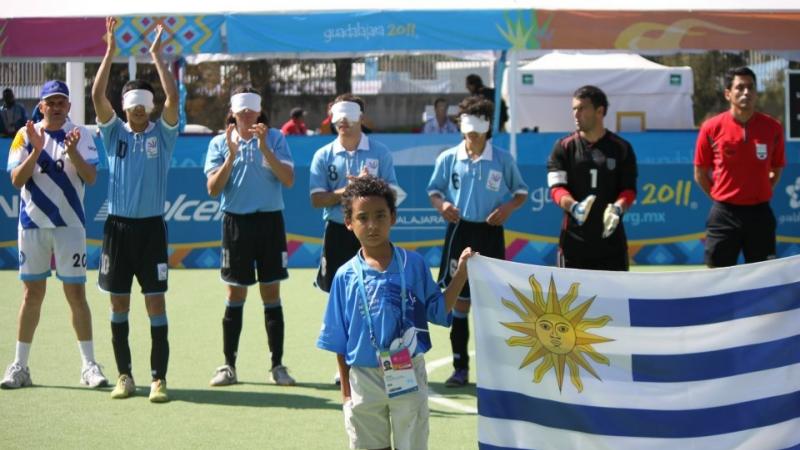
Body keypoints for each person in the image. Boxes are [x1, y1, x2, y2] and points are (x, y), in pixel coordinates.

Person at [317, 175, 475, 450]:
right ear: (348, 223)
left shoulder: (414, 264)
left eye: (380, 216)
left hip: (408, 370)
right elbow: (338, 342)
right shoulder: (344, 276)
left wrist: (460, 274)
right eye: (362, 217)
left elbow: (438, 310)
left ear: (393, 217)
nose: (372, 225)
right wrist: (346, 396)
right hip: (363, 378)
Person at [92, 17, 179, 403]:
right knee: (118, 303)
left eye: (145, 104)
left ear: (150, 108)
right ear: (126, 109)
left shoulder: (163, 133)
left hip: (151, 230)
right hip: (118, 230)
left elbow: (174, 100)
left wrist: (158, 57)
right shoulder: (114, 135)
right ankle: (125, 376)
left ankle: (158, 378)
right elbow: (97, 98)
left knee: (155, 302)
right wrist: (110, 51)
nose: (139, 110)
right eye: (133, 105)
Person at [1, 81, 107, 390]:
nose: (57, 106)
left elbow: (91, 177)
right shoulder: (25, 133)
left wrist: (73, 152)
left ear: (69, 106)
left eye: (62, 101)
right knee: (31, 295)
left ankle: (89, 367)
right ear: (42, 105)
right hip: (32, 225)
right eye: (51, 101)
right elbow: (16, 180)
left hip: (70, 226)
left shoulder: (81, 134)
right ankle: (20, 366)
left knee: (76, 296)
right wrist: (35, 149)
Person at [427, 96, 528, 387]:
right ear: (461, 127)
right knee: (459, 303)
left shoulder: (502, 159)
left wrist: (508, 207)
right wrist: (442, 205)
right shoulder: (449, 158)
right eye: (467, 127)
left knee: (491, 303)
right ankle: (460, 368)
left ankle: (495, 372)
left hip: (490, 233)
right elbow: (434, 191)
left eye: (477, 127)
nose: (471, 133)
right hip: (459, 232)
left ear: (487, 128)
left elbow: (520, 192)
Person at [204, 87, 297, 387]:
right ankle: (228, 366)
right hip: (236, 224)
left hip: (270, 222)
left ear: (259, 112)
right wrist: (231, 156)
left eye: (251, 110)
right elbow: (213, 189)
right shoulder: (219, 143)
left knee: (271, 294)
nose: (246, 115)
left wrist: (264, 147)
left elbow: (289, 180)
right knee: (235, 295)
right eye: (241, 110)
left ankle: (277, 366)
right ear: (232, 112)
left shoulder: (276, 139)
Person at [694, 66, 785, 267]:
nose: (746, 92)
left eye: (751, 88)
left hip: (760, 214)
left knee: (763, 280)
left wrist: (762, 190)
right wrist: (720, 197)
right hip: (724, 215)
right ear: (728, 93)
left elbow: (777, 168)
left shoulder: (773, 128)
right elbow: (700, 173)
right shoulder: (711, 127)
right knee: (718, 279)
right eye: (740, 87)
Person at [309, 93, 399, 294]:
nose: (343, 120)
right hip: (337, 232)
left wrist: (370, 186)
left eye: (348, 114)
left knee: (374, 291)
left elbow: (394, 194)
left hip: (372, 231)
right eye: (338, 115)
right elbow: (316, 200)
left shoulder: (380, 152)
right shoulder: (323, 155)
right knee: (336, 294)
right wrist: (346, 191)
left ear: (361, 118)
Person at [547, 85, 638, 270]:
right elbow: (556, 188)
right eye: (574, 109)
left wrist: (617, 209)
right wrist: (574, 207)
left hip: (611, 242)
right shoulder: (563, 147)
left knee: (615, 297)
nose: (576, 114)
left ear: (600, 111)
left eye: (582, 108)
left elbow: (629, 189)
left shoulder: (622, 148)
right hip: (573, 242)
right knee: (572, 298)